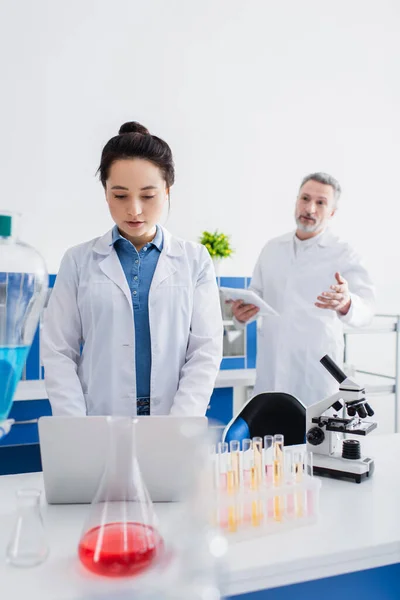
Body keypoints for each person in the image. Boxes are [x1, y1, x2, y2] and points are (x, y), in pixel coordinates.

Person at [42, 121, 223, 417]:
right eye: (120, 195)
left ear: (167, 191)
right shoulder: (77, 261)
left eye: (148, 195)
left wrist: (179, 422)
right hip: (99, 421)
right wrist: (76, 426)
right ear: (105, 192)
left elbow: (205, 351)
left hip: (174, 422)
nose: (134, 209)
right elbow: (58, 351)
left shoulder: (195, 259)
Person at [231, 172, 375, 407]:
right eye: (305, 198)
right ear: (296, 200)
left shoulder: (344, 253)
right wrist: (240, 315)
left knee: (316, 439)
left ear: (332, 212)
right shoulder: (272, 248)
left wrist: (347, 303)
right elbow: (255, 296)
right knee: (270, 439)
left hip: (316, 376)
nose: (310, 208)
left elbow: (367, 309)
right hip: (271, 371)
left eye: (321, 202)